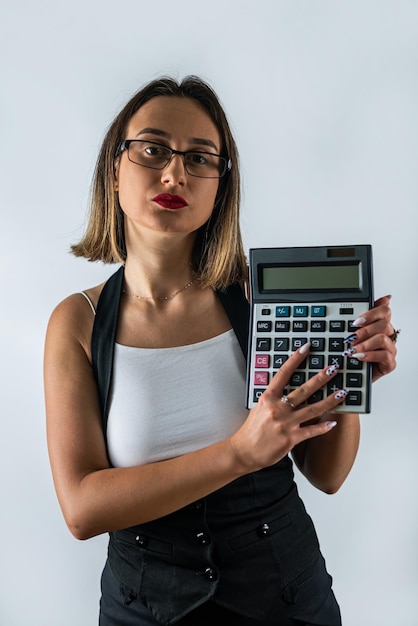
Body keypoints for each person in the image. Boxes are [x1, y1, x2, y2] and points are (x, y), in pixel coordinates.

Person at [44, 75, 398, 626]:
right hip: (143, 609)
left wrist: (346, 377)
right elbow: (83, 508)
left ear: (220, 187)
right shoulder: (78, 322)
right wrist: (238, 453)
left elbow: (326, 475)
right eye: (153, 149)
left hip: (286, 598)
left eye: (200, 157)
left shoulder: (263, 298)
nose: (175, 173)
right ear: (114, 169)